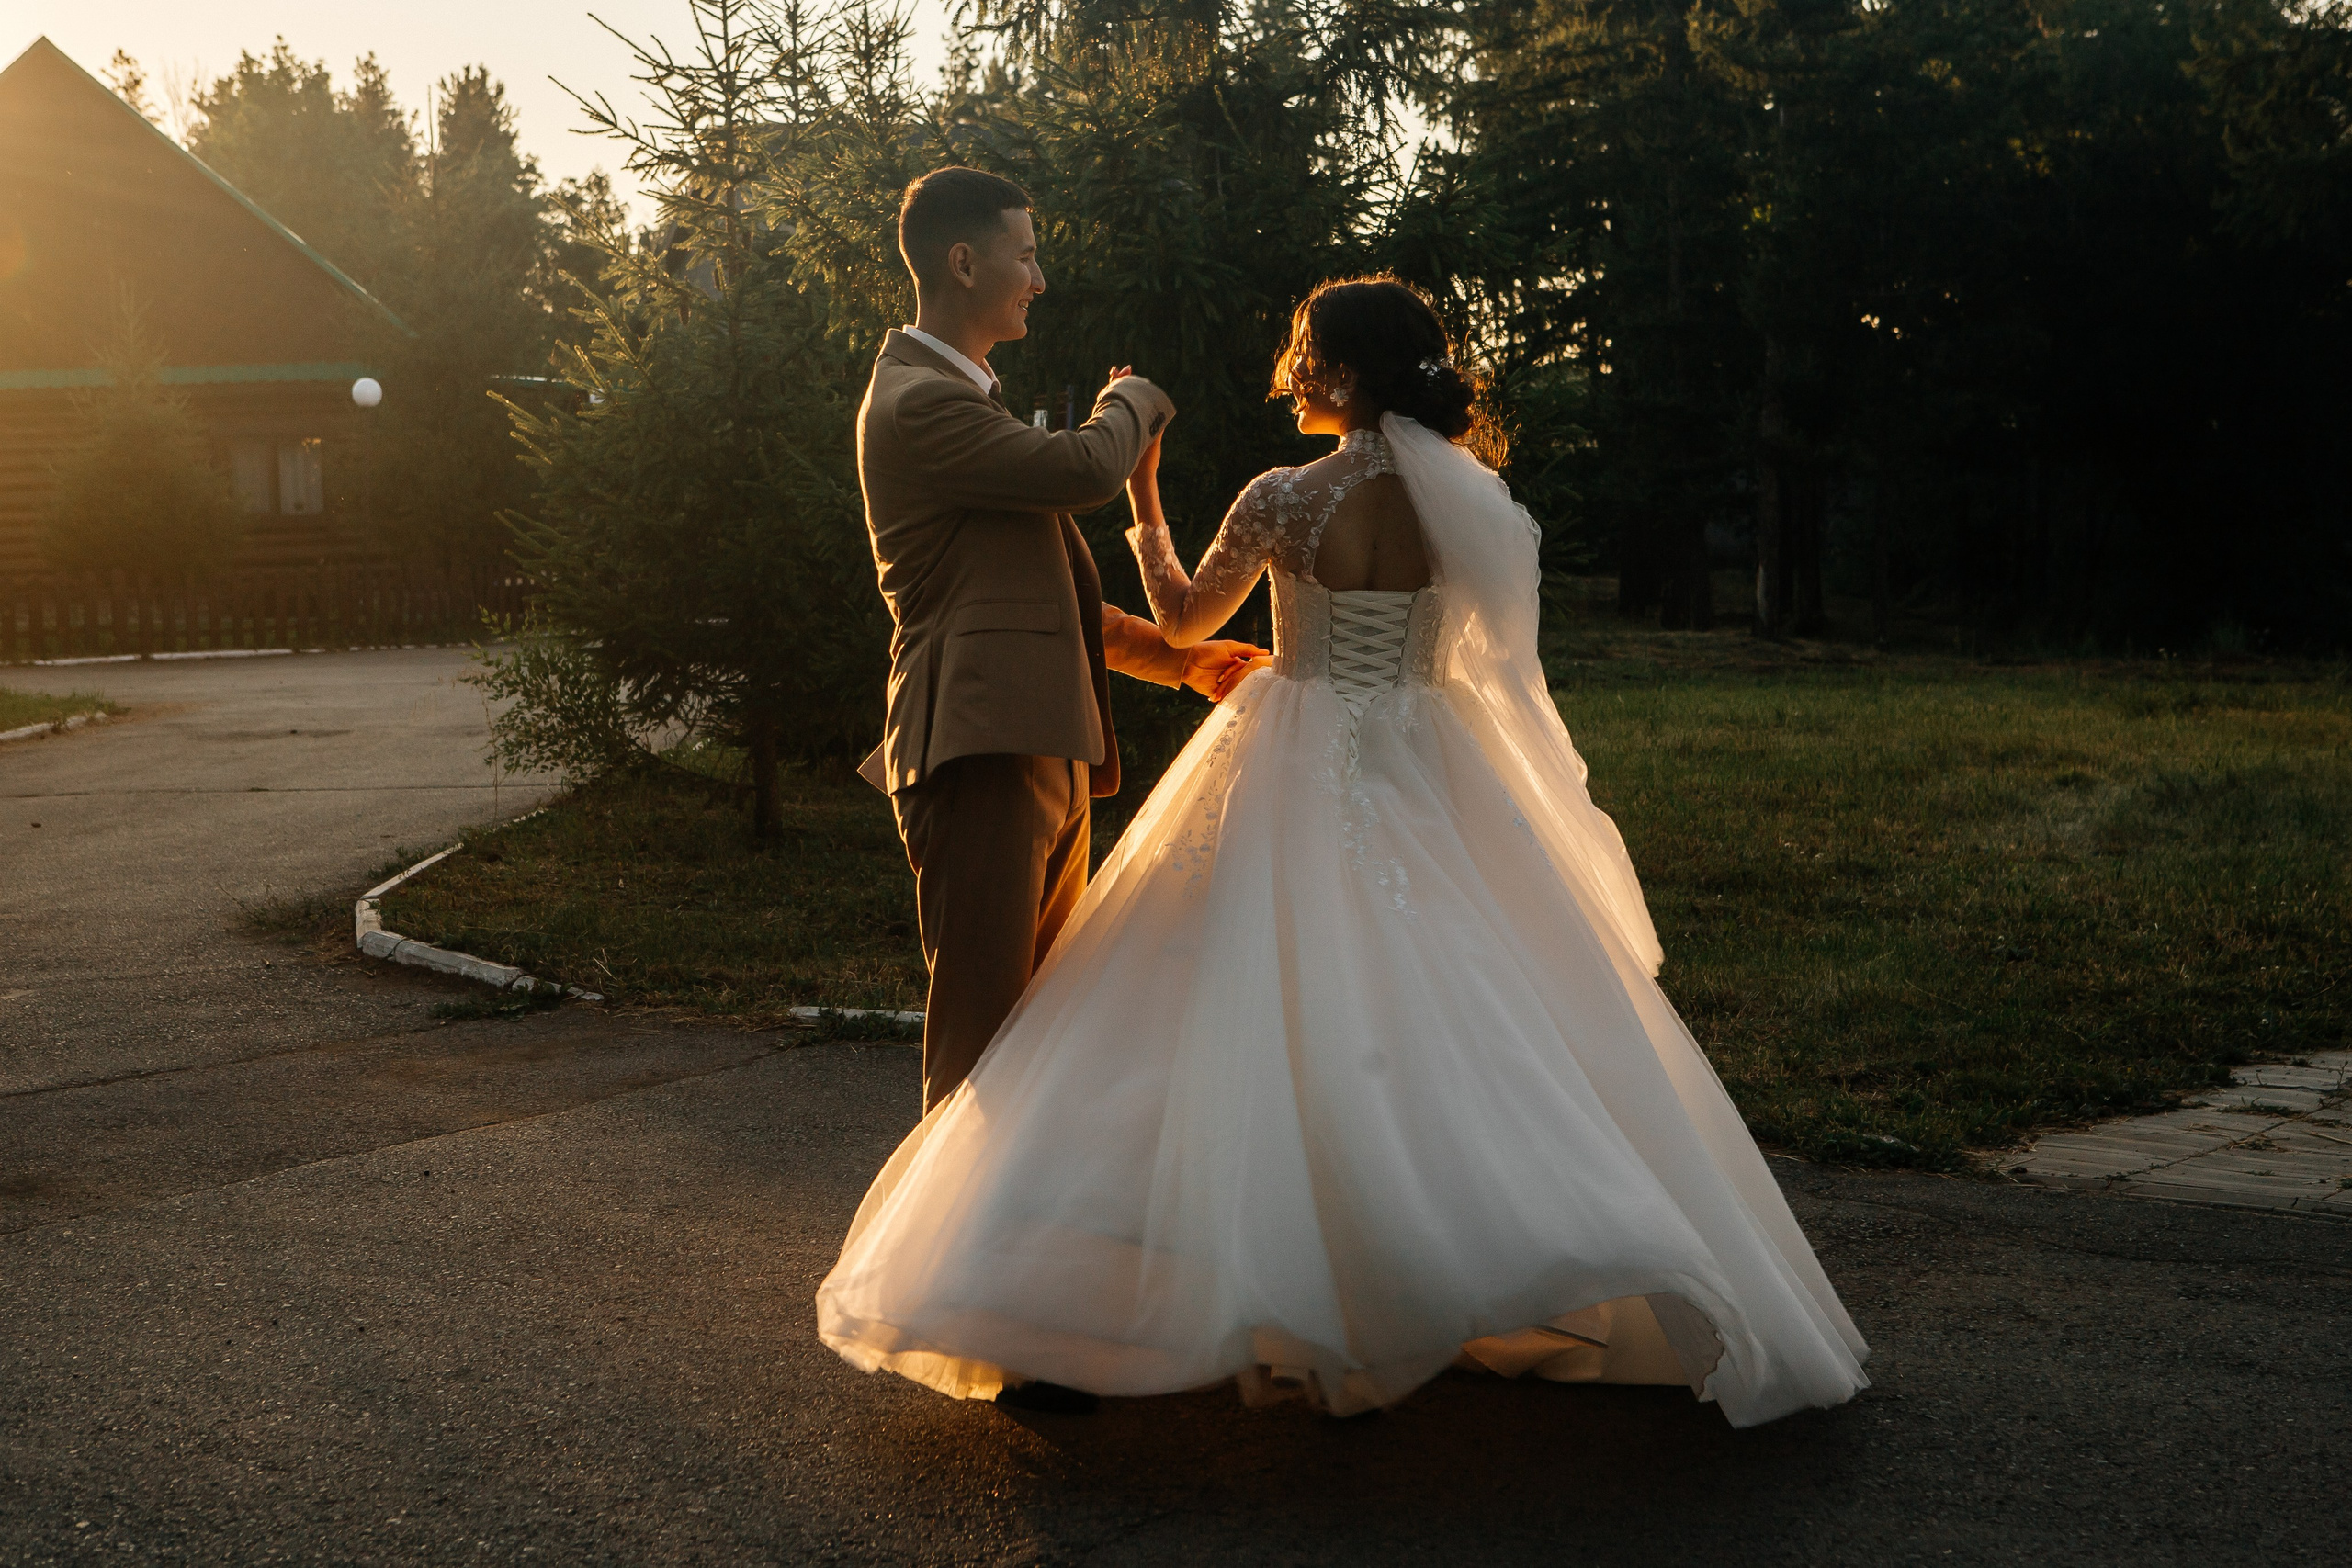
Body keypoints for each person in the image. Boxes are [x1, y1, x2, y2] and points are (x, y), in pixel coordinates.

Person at [820, 275, 1871, 1427]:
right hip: (1428, 752)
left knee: (1239, 999)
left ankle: (1226, 1273)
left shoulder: (1281, 495)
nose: (1293, 374)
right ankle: (1527, 1246)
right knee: (1472, 1004)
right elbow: (1488, 654)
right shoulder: (1463, 500)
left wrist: (1149, 504)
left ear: (1345, 372)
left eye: (1305, 356)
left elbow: (1179, 622)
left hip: (1300, 743)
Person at [854, 165, 1264, 1115]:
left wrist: (1183, 661)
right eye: (1026, 254)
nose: (1039, 278)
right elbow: (1087, 467)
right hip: (980, 747)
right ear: (964, 262)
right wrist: (1138, 400)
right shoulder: (920, 402)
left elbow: (1036, 602)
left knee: (1035, 1037)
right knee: (982, 1042)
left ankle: (1001, 1251)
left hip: (1035, 744)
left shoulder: (964, 403)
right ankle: (938, 1263)